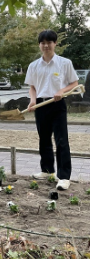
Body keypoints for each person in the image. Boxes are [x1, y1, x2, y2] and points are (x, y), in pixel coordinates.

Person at [25, 30, 78, 190]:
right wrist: (32, 100)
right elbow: (32, 87)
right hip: (41, 105)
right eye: (43, 43)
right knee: (44, 139)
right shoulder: (33, 66)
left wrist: (61, 91)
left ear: (55, 44)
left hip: (57, 105)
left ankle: (63, 177)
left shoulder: (64, 63)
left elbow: (74, 83)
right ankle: (47, 170)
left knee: (61, 140)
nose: (46, 45)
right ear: (40, 45)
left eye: (49, 42)